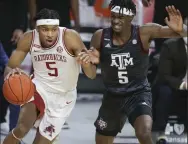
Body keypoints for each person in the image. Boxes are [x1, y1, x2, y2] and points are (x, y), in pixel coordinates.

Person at [87, 0, 187, 144]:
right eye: (113, 16)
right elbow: (90, 74)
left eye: (120, 17)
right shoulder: (99, 36)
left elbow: (181, 33)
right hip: (112, 96)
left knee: (144, 132)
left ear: (131, 17)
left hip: (138, 93)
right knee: (102, 141)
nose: (115, 21)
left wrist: (181, 28)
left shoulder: (144, 32)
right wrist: (88, 64)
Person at [3, 8, 96, 144]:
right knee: (21, 129)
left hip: (63, 97)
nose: (50, 34)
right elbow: (9, 67)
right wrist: (10, 73)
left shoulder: (70, 37)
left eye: (53, 29)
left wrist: (87, 64)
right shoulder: (29, 38)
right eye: (45, 29)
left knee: (41, 141)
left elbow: (92, 75)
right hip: (38, 88)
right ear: (37, 28)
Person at [152, 17, 187, 143]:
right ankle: (160, 133)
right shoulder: (170, 46)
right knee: (164, 91)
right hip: (174, 87)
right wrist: (183, 85)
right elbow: (164, 75)